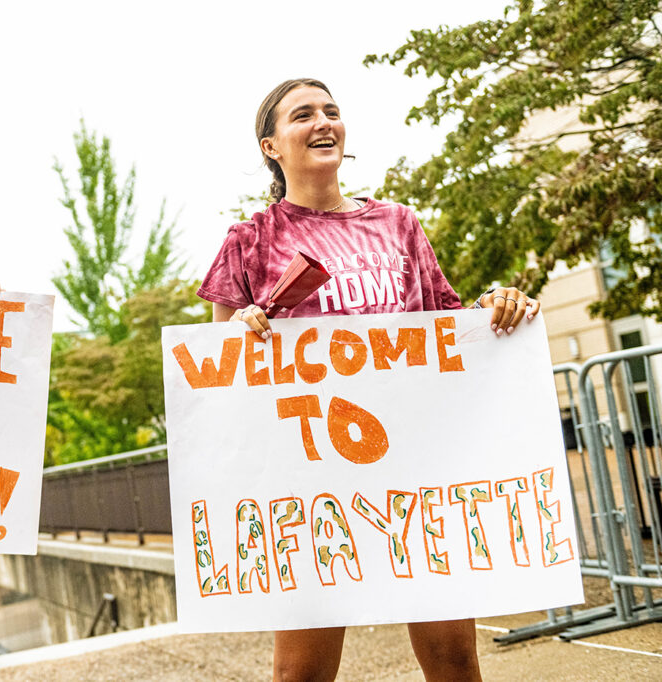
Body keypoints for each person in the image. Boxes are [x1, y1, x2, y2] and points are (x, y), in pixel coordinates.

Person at [197, 79, 542, 682]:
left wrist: (498, 307)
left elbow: (447, 332)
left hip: (413, 474)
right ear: (271, 146)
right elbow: (217, 369)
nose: (322, 121)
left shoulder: (399, 225)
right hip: (309, 484)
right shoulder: (250, 240)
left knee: (455, 660)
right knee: (301, 673)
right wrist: (241, 329)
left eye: (331, 110)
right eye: (302, 115)